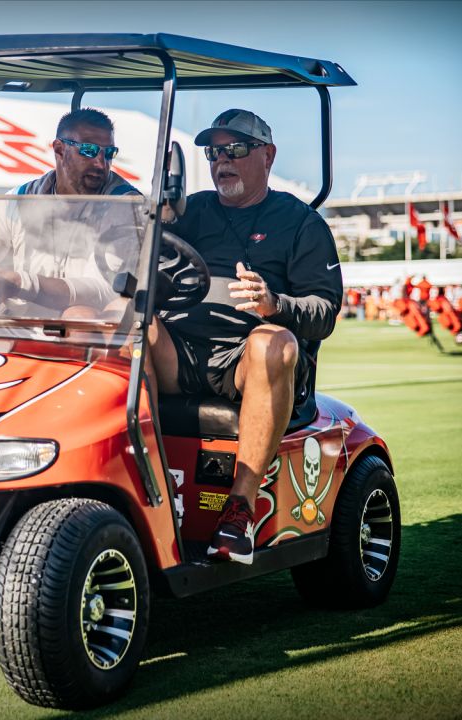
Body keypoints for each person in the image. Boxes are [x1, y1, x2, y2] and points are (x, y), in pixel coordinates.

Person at [148, 109, 343, 565]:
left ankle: (239, 509)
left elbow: (325, 311)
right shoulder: (190, 210)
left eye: (235, 149)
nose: (222, 160)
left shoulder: (300, 223)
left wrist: (275, 305)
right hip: (183, 353)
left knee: (271, 341)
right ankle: (140, 486)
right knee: (134, 325)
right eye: (214, 152)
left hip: (248, 363)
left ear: (268, 155)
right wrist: (155, 219)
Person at [0, 107, 140, 314]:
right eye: (88, 150)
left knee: (79, 315)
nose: (100, 163)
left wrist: (17, 283)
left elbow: (105, 291)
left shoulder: (125, 203)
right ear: (59, 149)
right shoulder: (17, 200)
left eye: (109, 153)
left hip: (86, 336)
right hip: (20, 332)